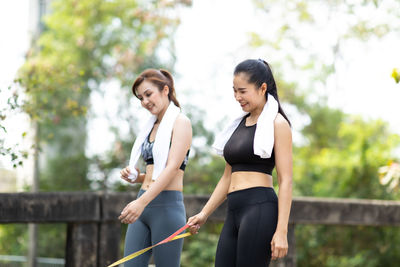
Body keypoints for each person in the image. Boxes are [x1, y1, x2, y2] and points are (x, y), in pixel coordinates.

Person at [187, 59, 292, 267]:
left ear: (262, 88)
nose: (237, 97)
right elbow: (227, 177)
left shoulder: (277, 124)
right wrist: (204, 213)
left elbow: (286, 180)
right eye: (234, 91)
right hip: (234, 210)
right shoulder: (237, 126)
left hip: (259, 207)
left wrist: (281, 231)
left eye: (242, 91)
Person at [119, 69, 192, 267]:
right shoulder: (150, 127)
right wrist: (138, 178)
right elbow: (153, 171)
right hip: (143, 201)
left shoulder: (181, 123)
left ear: (165, 90)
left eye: (148, 94)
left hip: (167, 208)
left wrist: (141, 203)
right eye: (140, 98)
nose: (144, 101)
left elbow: (172, 168)